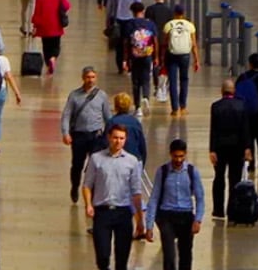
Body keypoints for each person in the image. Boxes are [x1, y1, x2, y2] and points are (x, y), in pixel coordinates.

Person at [81, 123, 151, 270]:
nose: (118, 141)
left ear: (125, 140)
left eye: (121, 138)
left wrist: (140, 220)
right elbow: (87, 184)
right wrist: (88, 204)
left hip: (123, 213)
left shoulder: (132, 162)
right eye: (115, 138)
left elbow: (136, 192)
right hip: (102, 212)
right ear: (109, 138)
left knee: (122, 258)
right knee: (102, 256)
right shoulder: (96, 159)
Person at [144, 138, 204, 270]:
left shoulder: (192, 172)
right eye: (176, 156)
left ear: (185, 154)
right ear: (171, 154)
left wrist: (198, 220)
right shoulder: (163, 171)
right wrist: (149, 225)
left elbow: (200, 198)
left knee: (186, 254)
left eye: (181, 156)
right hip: (167, 217)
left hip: (186, 216)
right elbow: (154, 198)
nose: (178, 160)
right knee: (169, 254)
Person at [63, 65, 115, 203]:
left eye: (93, 77)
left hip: (96, 136)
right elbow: (66, 115)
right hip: (79, 135)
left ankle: (91, 193)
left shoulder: (102, 96)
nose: (90, 80)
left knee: (95, 165)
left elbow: (108, 117)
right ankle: (75, 186)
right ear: (83, 78)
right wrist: (65, 133)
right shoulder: (74, 96)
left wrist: (110, 135)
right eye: (88, 77)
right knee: (77, 165)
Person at [208, 77, 253, 213]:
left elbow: (213, 129)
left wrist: (212, 150)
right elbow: (245, 129)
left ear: (222, 91)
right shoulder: (242, 106)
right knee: (235, 179)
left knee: (219, 178)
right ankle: (232, 208)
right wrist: (247, 147)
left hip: (220, 147)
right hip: (237, 147)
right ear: (234, 91)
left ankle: (218, 209)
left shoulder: (216, 106)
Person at [33, 0, 72, 73]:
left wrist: (35, 26)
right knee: (56, 46)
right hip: (56, 25)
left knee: (46, 46)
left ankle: (48, 62)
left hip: (44, 26)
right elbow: (67, 6)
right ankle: (53, 58)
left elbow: (37, 12)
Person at [162, 5, 197, 114]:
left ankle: (174, 108)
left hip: (172, 54)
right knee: (184, 79)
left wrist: (162, 58)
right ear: (183, 13)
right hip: (185, 55)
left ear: (174, 13)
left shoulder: (169, 25)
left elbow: (165, 43)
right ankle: (183, 106)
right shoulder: (190, 26)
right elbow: (194, 44)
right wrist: (197, 59)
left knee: (173, 81)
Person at [126, 10, 159, 106]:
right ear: (143, 12)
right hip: (147, 55)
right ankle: (145, 97)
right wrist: (156, 57)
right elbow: (155, 41)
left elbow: (126, 42)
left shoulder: (130, 24)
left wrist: (126, 59)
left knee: (135, 80)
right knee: (146, 78)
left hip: (135, 55)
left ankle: (137, 107)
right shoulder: (150, 24)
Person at [108, 91, 148, 166]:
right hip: (135, 159)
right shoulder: (136, 122)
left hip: (116, 161)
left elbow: (105, 143)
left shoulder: (112, 122)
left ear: (116, 106)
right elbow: (142, 145)